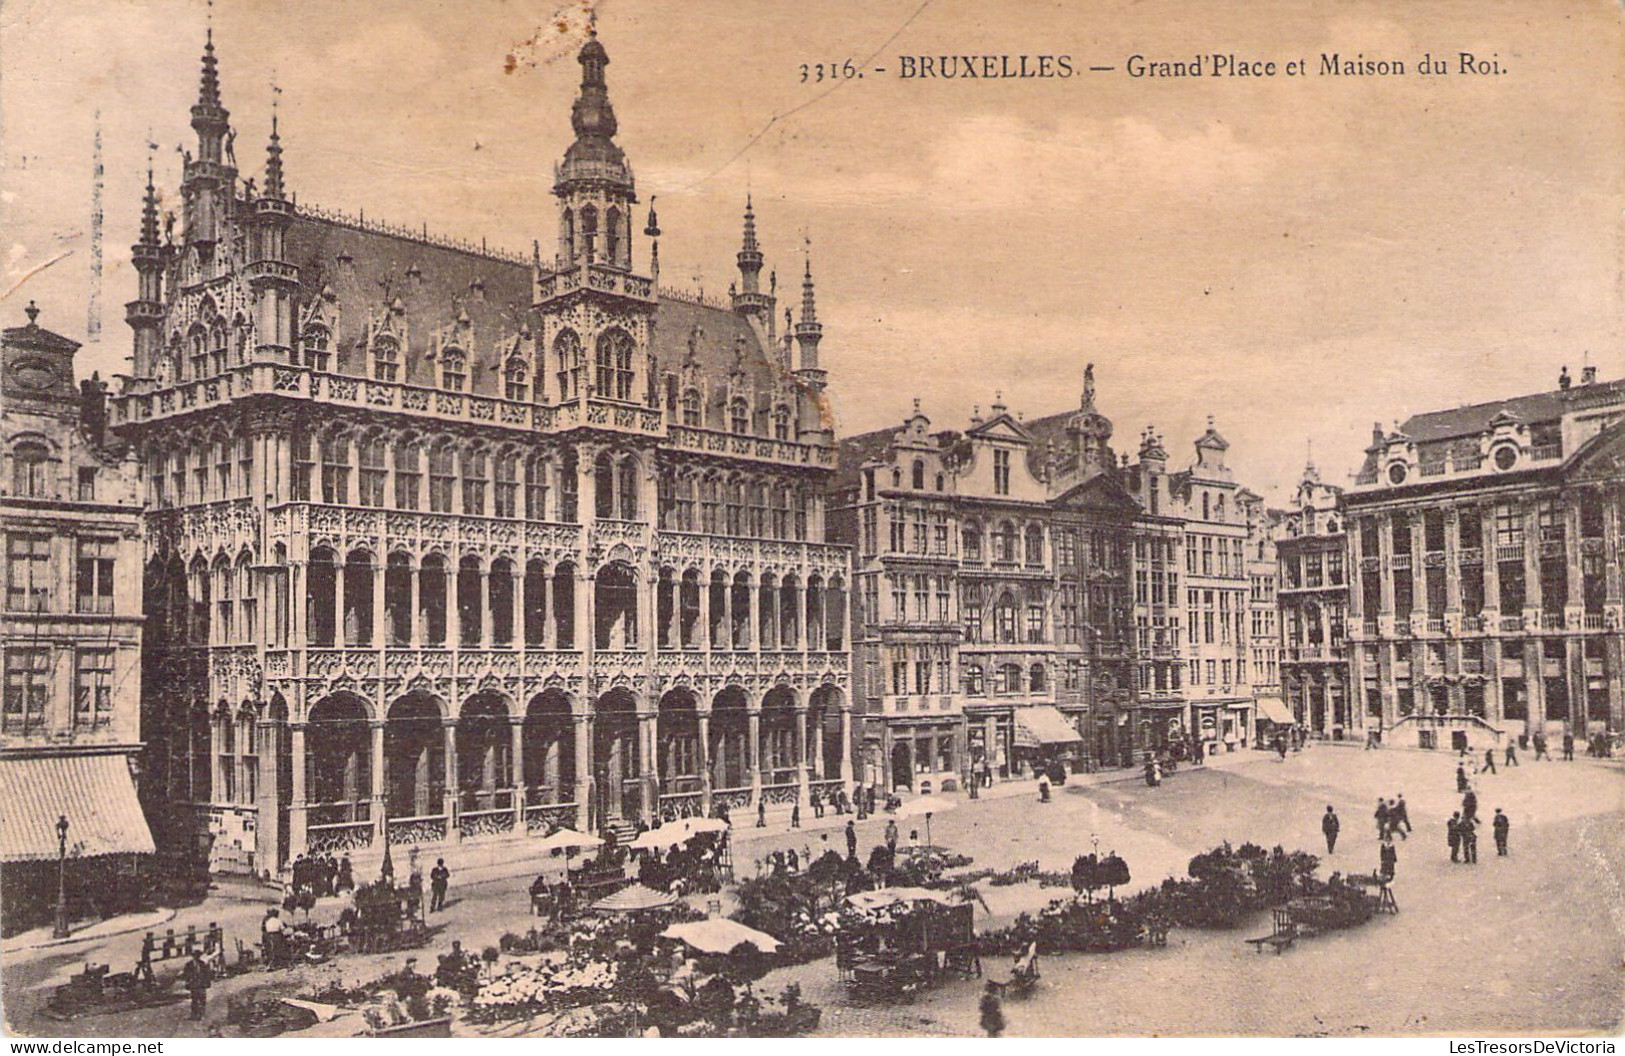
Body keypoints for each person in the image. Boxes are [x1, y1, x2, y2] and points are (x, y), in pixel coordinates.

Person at [182, 948, 212, 1020]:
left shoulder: (202, 964)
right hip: (194, 985)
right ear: (193, 956)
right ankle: (194, 1015)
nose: (197, 957)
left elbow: (207, 974)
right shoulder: (188, 965)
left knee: (202, 1000)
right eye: (195, 955)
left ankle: (201, 1014)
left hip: (201, 984)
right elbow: (186, 975)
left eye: (198, 955)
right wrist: (188, 982)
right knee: (194, 1000)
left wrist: (207, 983)